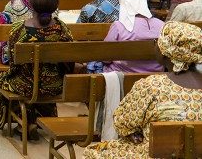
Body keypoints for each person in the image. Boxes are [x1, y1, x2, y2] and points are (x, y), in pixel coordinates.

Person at [83, 22, 202, 159]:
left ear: (166, 52)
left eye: (157, 41)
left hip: (156, 154)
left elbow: (122, 124)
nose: (155, 44)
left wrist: (136, 132)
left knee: (95, 152)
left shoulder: (152, 86)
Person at [0, 0, 74, 137]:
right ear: (55, 5)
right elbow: (68, 62)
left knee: (0, 82)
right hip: (54, 85)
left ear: (30, 4)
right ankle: (36, 118)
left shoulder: (19, 29)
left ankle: (26, 119)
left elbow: (13, 62)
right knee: (33, 81)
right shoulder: (63, 29)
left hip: (25, 85)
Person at [102, 0, 164, 73]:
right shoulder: (162, 25)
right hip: (156, 76)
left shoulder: (119, 25)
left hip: (123, 76)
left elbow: (106, 57)